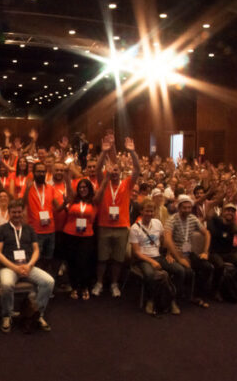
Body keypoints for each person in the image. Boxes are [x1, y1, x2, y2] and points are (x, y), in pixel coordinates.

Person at [0, 199, 54, 332]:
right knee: (7, 284)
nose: (17, 215)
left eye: (19, 212)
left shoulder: (29, 229)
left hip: (28, 266)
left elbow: (36, 250)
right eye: (14, 212)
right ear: (9, 213)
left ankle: (36, 313)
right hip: (9, 268)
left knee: (49, 282)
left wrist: (29, 265)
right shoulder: (1, 230)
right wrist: (15, 267)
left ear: (23, 213)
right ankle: (7, 315)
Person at [92, 135, 140, 297]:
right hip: (104, 226)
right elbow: (98, 169)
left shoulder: (127, 184)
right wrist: (103, 152)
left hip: (121, 227)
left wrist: (132, 152)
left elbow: (137, 170)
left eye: (117, 170)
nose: (114, 172)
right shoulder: (103, 182)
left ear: (120, 172)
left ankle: (114, 284)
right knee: (102, 258)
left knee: (118, 259)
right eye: (112, 169)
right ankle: (99, 283)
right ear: (109, 171)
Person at [130, 201, 182, 315]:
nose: (149, 213)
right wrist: (152, 262)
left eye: (151, 211)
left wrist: (169, 253)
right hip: (143, 259)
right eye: (147, 211)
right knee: (150, 275)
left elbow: (166, 239)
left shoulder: (157, 223)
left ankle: (172, 300)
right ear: (141, 211)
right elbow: (137, 252)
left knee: (180, 270)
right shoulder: (135, 228)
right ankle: (150, 300)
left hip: (158, 256)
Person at [162, 194, 213, 306]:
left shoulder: (193, 218)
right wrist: (179, 258)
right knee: (186, 271)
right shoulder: (172, 220)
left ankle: (195, 295)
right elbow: (168, 241)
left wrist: (205, 252)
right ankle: (176, 298)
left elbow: (207, 234)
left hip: (187, 251)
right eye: (184, 207)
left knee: (207, 267)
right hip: (175, 252)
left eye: (189, 207)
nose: (187, 210)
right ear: (179, 208)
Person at [61, 178, 97, 300]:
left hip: (86, 236)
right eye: (80, 187)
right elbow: (69, 188)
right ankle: (75, 287)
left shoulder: (94, 202)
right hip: (70, 234)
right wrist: (67, 174)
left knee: (84, 262)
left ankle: (85, 287)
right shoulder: (72, 200)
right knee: (72, 262)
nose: (83, 189)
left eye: (85, 187)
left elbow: (102, 189)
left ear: (89, 188)